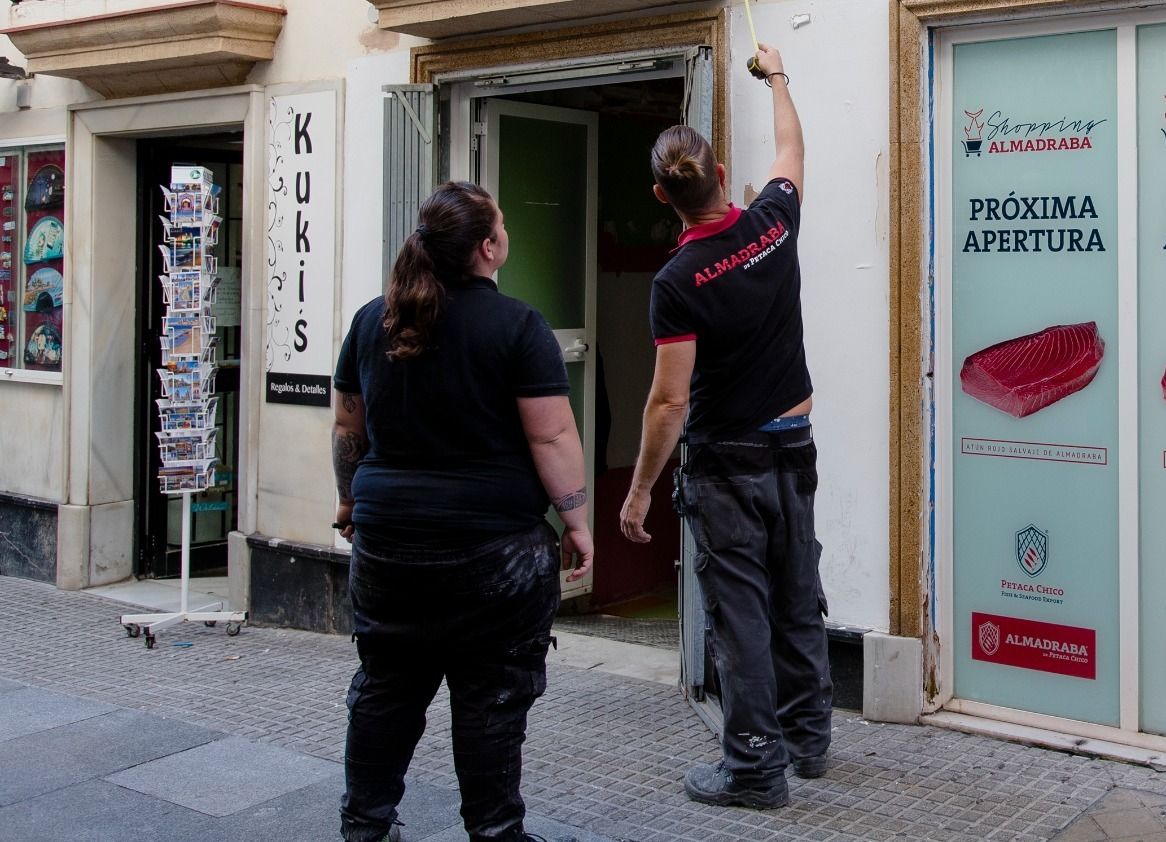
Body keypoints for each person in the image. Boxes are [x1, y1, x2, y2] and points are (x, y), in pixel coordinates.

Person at [331, 181, 594, 842]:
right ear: (487, 247)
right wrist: (577, 522)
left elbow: (348, 428)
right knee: (491, 698)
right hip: (494, 552)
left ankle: (364, 826)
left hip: (387, 544)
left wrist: (349, 500)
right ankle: (495, 833)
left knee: (387, 687)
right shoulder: (519, 326)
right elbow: (552, 438)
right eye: (500, 224)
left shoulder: (372, 321)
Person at [620, 44, 831, 810]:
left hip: (726, 465)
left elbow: (669, 402)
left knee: (740, 615)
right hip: (793, 448)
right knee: (797, 593)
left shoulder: (676, 282)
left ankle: (753, 768)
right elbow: (792, 148)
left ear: (662, 195)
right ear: (717, 173)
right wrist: (777, 74)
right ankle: (808, 740)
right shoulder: (773, 222)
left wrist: (640, 489)